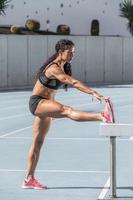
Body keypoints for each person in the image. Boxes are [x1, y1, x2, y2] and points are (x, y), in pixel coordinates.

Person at [22, 39, 112, 190]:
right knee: (66, 110)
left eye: (73, 52)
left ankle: (28, 179)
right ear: (60, 52)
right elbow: (73, 82)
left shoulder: (64, 66)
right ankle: (102, 116)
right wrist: (93, 92)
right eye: (69, 52)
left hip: (46, 105)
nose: (72, 55)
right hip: (38, 103)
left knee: (37, 143)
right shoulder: (53, 68)